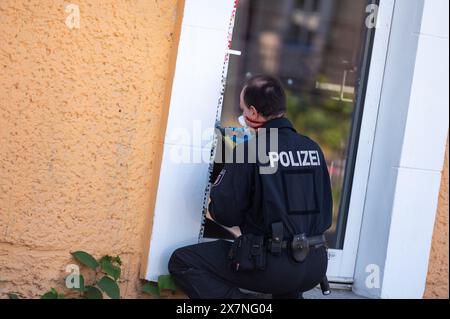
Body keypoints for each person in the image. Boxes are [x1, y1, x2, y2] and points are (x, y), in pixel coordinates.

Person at [168, 75, 333, 299]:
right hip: (314, 264)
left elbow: (226, 214)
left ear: (253, 112)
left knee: (183, 262)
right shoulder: (312, 148)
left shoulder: (253, 149)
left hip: (275, 265)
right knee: (286, 280)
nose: (242, 116)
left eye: (242, 109)